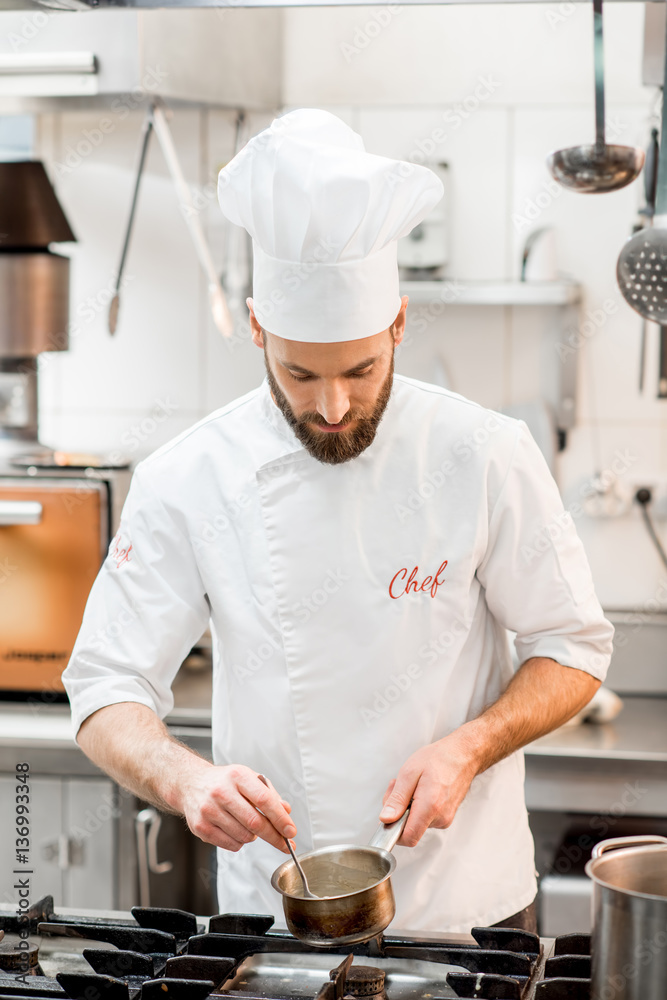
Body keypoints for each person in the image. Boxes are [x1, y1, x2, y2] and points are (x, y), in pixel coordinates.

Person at [63, 108, 613, 934]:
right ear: (255, 329)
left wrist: (469, 746)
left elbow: (572, 647)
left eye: (360, 369)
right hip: (274, 917)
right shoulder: (188, 477)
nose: (330, 406)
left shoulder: (484, 452)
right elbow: (103, 687)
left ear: (396, 323)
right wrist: (185, 781)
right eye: (298, 371)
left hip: (470, 911)